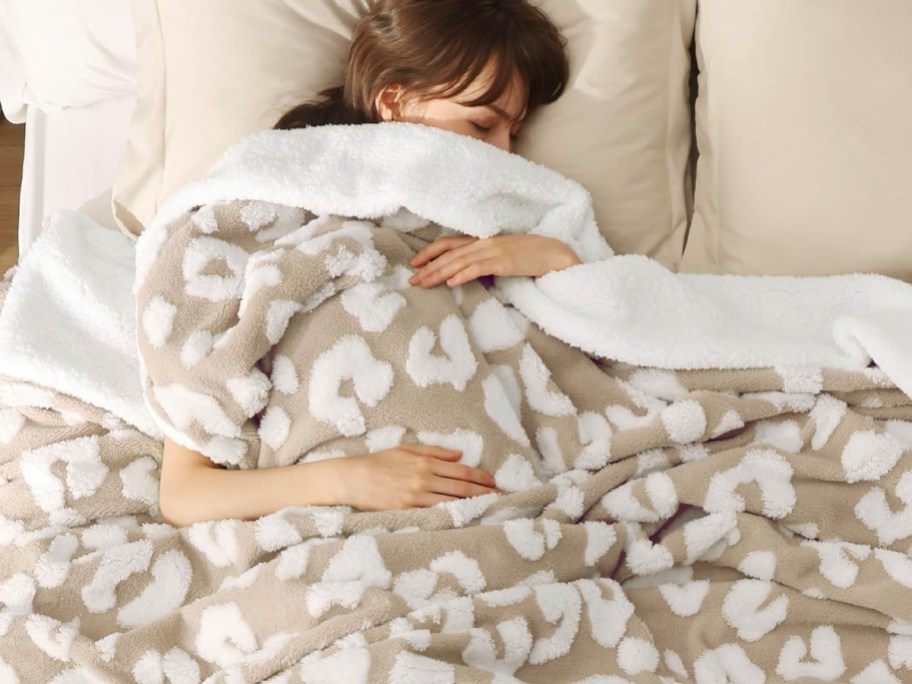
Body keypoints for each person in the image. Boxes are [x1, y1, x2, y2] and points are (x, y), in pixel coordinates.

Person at [158, 0, 581, 527]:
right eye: (482, 125)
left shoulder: (503, 225)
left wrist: (555, 259)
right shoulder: (255, 218)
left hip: (510, 512)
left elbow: (606, 352)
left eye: (513, 134)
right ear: (394, 101)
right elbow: (183, 494)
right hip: (341, 527)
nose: (504, 154)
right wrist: (349, 478)